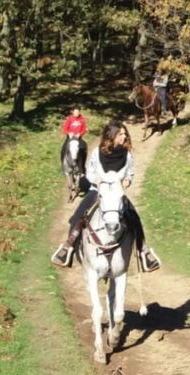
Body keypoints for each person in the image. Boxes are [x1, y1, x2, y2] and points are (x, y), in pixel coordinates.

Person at [51, 119, 162, 273]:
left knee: (135, 217)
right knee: (78, 216)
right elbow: (89, 173)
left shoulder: (127, 155)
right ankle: (67, 248)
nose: (124, 137)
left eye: (124, 134)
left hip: (116, 193)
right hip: (97, 191)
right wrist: (99, 182)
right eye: (121, 134)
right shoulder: (98, 153)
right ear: (112, 136)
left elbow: (130, 174)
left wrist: (127, 182)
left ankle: (143, 251)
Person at [61, 106, 88, 178]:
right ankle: (63, 167)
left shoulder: (82, 119)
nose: (76, 113)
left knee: (84, 147)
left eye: (78, 112)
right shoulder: (69, 119)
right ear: (73, 112)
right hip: (70, 138)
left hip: (78, 138)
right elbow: (64, 129)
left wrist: (80, 134)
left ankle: (82, 168)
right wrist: (69, 133)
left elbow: (84, 129)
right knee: (63, 148)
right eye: (75, 111)